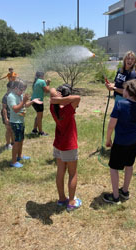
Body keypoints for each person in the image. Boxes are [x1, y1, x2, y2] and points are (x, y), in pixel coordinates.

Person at [103, 79, 136, 204]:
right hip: (134, 140)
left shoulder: (120, 104)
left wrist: (108, 139)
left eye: (125, 88)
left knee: (113, 167)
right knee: (129, 165)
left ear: (128, 91)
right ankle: (125, 191)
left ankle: (115, 197)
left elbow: (111, 125)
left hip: (121, 141)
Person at [50, 84, 82, 212]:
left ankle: (62, 198)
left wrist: (56, 99)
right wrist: (61, 99)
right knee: (72, 173)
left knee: (60, 171)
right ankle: (71, 202)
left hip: (58, 144)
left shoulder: (53, 106)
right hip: (69, 145)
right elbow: (78, 98)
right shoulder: (68, 108)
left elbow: (51, 90)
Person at [7, 79, 42, 168]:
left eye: (23, 90)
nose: (22, 92)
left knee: (21, 140)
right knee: (16, 142)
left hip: (21, 121)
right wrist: (23, 101)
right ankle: (14, 161)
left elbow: (25, 105)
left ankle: (19, 156)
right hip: (15, 122)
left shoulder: (20, 95)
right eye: (21, 90)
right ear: (15, 88)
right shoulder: (11, 96)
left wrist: (32, 101)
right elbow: (15, 109)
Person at [31, 71, 51, 136]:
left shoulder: (36, 81)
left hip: (34, 100)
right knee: (40, 117)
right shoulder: (42, 82)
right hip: (38, 101)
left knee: (38, 115)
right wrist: (48, 84)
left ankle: (34, 130)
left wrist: (45, 82)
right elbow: (47, 91)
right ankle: (41, 132)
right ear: (42, 75)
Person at [1, 82, 14, 150]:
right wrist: (6, 118)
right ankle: (8, 144)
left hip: (12, 114)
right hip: (7, 114)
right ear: (9, 88)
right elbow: (4, 108)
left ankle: (13, 142)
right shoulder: (5, 97)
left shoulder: (13, 95)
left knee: (12, 129)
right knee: (9, 129)